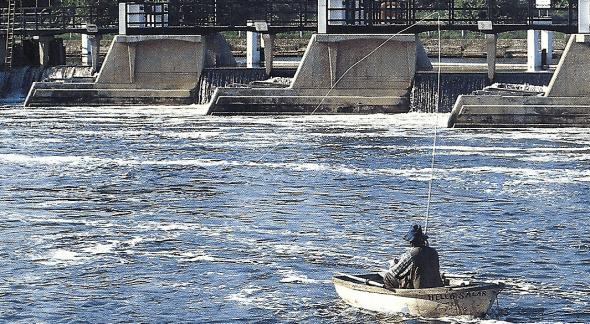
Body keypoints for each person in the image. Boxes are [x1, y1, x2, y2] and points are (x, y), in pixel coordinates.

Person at [383, 224, 443, 290]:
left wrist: (392, 265)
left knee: (387, 276)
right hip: (436, 284)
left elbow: (394, 272)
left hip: (419, 287)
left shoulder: (411, 255)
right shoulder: (434, 251)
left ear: (411, 242)